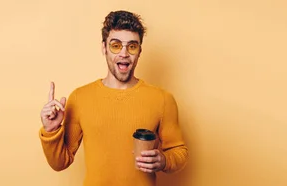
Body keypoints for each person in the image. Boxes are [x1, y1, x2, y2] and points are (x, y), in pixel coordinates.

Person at [38, 10, 188, 186]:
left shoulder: (162, 99)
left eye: (132, 46)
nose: (124, 53)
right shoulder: (80, 98)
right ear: (103, 48)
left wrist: (164, 160)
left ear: (139, 51)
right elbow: (60, 163)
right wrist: (51, 131)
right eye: (116, 45)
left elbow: (179, 151)